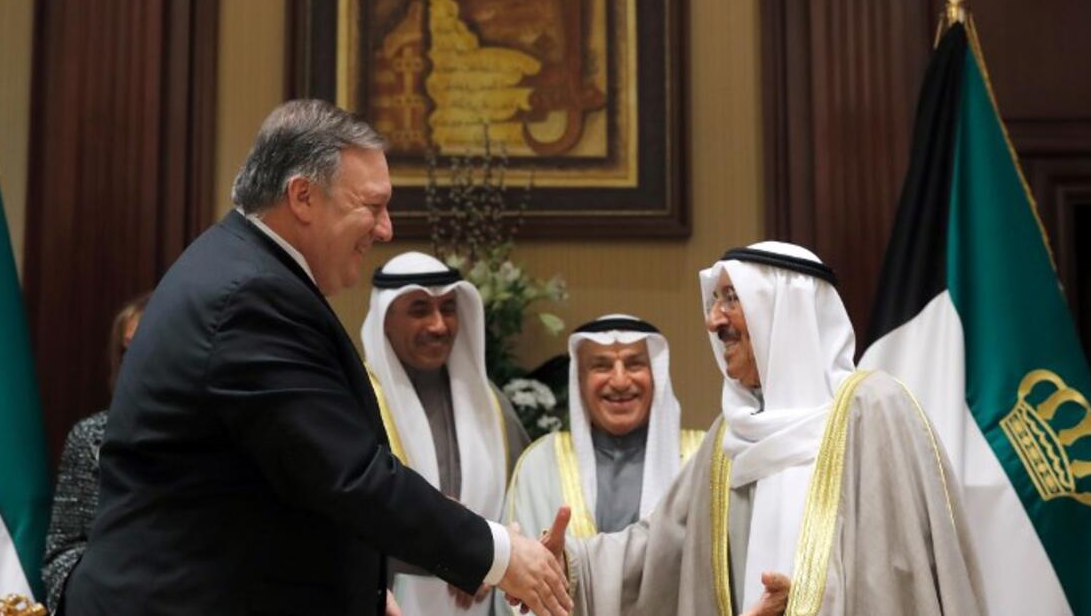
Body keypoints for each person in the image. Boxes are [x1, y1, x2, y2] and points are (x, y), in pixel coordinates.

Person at [63, 100, 572, 616]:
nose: (386, 229)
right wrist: (502, 556)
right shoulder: (251, 297)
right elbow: (348, 475)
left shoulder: (241, 271)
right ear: (303, 196)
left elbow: (286, 487)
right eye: (373, 206)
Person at [545, 241, 984, 615]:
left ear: (782, 311)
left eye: (732, 300)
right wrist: (566, 564)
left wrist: (809, 604)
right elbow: (657, 554)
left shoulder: (873, 411)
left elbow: (900, 578)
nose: (713, 320)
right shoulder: (728, 439)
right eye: (715, 301)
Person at [361, 250, 532, 614]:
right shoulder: (357, 403)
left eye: (449, 308)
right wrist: (455, 558)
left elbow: (525, 503)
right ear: (385, 319)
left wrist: (489, 560)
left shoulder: (491, 405)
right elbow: (348, 517)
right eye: (420, 310)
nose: (439, 325)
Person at [503, 315, 703, 545]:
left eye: (634, 364)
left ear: (656, 375)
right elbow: (518, 566)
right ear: (579, 380)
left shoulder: (700, 458)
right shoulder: (540, 462)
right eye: (601, 366)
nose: (619, 381)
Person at [41, 292, 149, 614]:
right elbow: (62, 553)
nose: (134, 361)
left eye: (144, 347)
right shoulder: (92, 437)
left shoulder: (211, 434)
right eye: (125, 351)